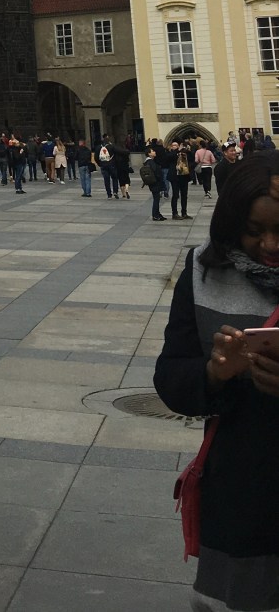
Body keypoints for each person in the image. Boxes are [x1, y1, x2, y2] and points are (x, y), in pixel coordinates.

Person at [154, 158, 279, 612]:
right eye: (253, 230)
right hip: (243, 484)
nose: (270, 245)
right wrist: (214, 373)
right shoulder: (205, 272)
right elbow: (171, 376)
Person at [140, 147, 166, 222]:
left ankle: (157, 213)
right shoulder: (151, 162)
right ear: (149, 153)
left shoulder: (148, 162)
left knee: (156, 198)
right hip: (155, 183)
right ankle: (155, 215)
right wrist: (159, 178)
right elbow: (156, 172)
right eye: (153, 151)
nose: (154, 152)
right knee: (156, 199)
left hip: (152, 182)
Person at [170, 141, 192, 221]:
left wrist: (188, 150)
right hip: (175, 177)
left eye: (176, 145)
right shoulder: (171, 153)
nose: (175, 146)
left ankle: (184, 212)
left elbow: (192, 159)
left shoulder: (184, 153)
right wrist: (177, 151)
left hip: (184, 176)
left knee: (184, 195)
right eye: (173, 145)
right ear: (171, 147)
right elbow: (169, 158)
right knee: (175, 195)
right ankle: (174, 213)